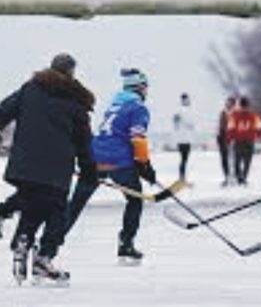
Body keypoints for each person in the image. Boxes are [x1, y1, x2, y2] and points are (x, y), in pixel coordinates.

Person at [0, 54, 96, 284]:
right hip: (56, 169)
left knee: (32, 201)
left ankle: (22, 238)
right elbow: (83, 142)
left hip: (24, 163)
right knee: (57, 211)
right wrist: (88, 170)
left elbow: (3, 111)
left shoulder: (30, 89)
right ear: (71, 73)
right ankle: (44, 257)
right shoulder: (76, 102)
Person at [64, 68, 158, 266]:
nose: (147, 91)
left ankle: (49, 243)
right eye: (146, 87)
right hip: (119, 162)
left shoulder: (115, 105)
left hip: (94, 159)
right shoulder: (138, 108)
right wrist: (145, 165)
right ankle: (126, 244)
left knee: (75, 205)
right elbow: (137, 138)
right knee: (135, 199)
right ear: (140, 88)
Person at [227, 97, 261, 185]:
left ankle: (240, 177)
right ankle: (244, 177)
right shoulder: (254, 116)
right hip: (249, 141)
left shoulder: (235, 115)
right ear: (248, 105)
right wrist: (259, 135)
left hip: (238, 141)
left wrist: (230, 138)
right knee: (247, 161)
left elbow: (230, 128)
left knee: (237, 161)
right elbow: (259, 127)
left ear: (240, 105)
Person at [173, 93, 195, 179]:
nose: (187, 101)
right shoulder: (181, 111)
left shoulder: (185, 110)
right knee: (184, 159)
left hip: (186, 139)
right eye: (185, 99)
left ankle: (182, 177)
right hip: (182, 139)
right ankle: (182, 177)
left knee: (184, 159)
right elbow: (189, 123)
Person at [217, 97, 236, 186]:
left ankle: (233, 177)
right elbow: (220, 126)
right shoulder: (223, 113)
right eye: (227, 103)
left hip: (232, 138)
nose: (228, 104)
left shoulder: (236, 114)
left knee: (232, 158)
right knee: (224, 159)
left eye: (229, 103)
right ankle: (227, 176)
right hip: (223, 138)